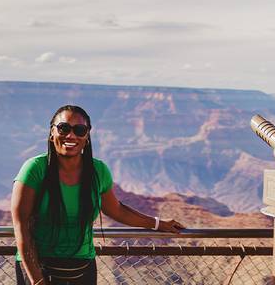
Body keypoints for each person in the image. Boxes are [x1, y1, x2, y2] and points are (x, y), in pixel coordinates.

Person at [11, 105, 185, 285]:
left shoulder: (97, 171)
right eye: (63, 128)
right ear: (51, 133)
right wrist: (37, 280)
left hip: (82, 266)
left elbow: (117, 210)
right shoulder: (34, 169)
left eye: (79, 130)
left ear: (86, 137)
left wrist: (159, 224)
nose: (71, 136)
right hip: (38, 266)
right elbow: (21, 226)